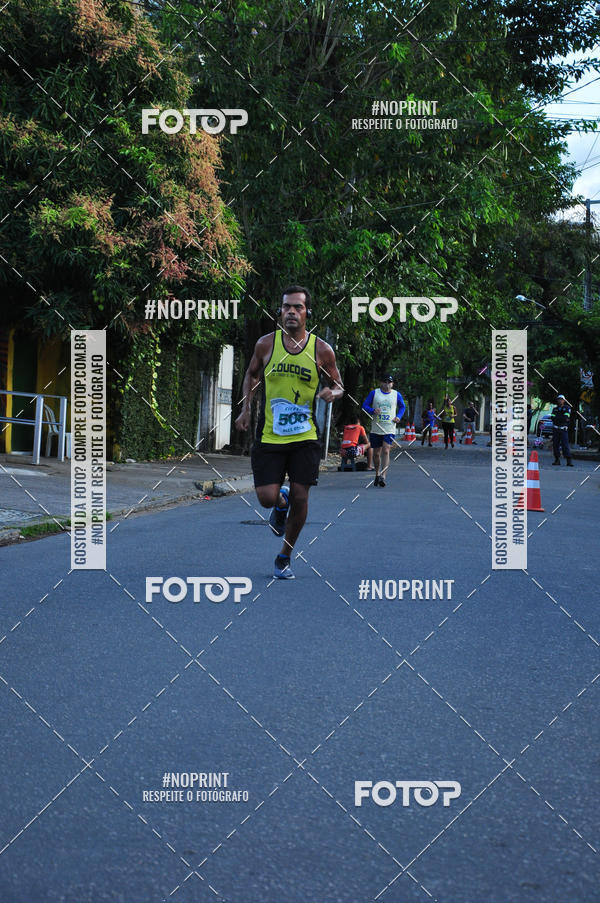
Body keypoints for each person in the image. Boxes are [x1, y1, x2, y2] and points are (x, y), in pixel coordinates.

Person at [235, 286, 343, 579]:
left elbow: (339, 384)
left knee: (301, 495)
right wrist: (246, 410)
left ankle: (284, 556)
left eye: (298, 307)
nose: (292, 312)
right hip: (270, 435)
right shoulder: (266, 345)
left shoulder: (321, 350)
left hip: (305, 436)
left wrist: (332, 392)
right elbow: (252, 375)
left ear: (307, 313)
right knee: (266, 498)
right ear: (279, 312)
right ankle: (279, 504)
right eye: (286, 307)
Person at [362, 375, 406, 487]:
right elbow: (364, 406)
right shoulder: (374, 393)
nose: (387, 384)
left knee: (386, 451)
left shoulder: (396, 394)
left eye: (389, 382)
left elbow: (402, 407)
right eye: (385, 381)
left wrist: (399, 416)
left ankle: (383, 476)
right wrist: (372, 410)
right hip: (376, 427)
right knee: (376, 453)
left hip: (389, 428)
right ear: (380, 382)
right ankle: (377, 473)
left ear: (392, 384)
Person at [551, 394, 573, 466]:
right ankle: (557, 460)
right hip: (556, 429)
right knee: (555, 445)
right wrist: (561, 417)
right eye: (559, 399)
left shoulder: (567, 408)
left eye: (561, 399)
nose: (560, 400)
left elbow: (566, 417)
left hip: (563, 429)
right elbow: (552, 418)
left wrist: (558, 418)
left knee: (565, 445)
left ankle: (568, 461)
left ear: (564, 400)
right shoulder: (555, 409)